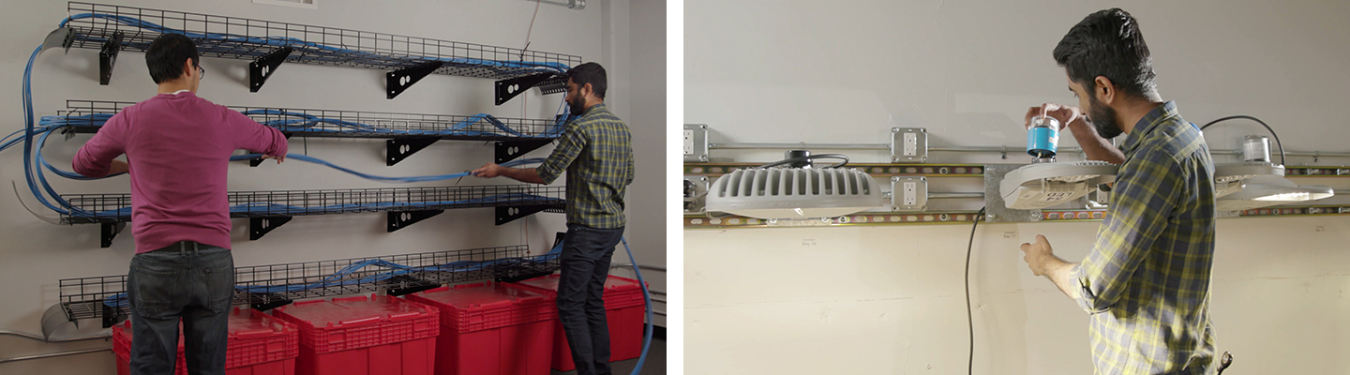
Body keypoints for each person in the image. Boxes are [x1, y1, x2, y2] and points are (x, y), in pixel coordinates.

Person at [1016, 8, 1218, 375]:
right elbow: (1129, 176)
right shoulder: (1181, 136)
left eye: (1079, 95)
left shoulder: (1157, 160)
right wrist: (1078, 124)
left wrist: (1043, 263)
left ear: (1105, 88)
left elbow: (1094, 290)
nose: (1081, 107)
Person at [72, 34, 289, 375]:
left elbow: (83, 164)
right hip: (214, 263)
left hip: (155, 263)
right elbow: (276, 141)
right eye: (199, 69)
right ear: (190, 66)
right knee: (208, 366)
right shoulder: (222, 118)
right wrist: (274, 147)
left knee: (152, 366)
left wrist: (129, 165)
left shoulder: (129, 120)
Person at [472, 62, 633, 375]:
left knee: (571, 305)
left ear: (587, 89)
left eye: (570, 91)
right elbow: (629, 175)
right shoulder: (621, 127)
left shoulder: (581, 127)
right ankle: (602, 372)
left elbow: (546, 175)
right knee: (592, 301)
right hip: (612, 227)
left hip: (587, 230)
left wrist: (500, 169)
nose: (567, 99)